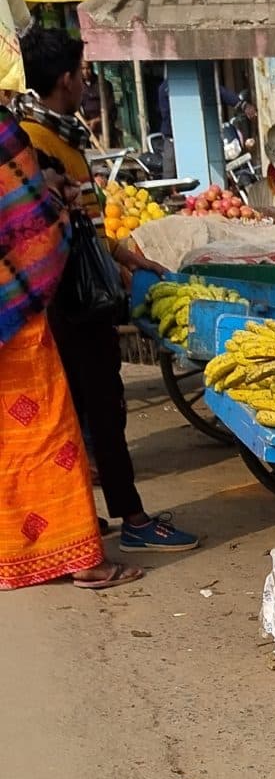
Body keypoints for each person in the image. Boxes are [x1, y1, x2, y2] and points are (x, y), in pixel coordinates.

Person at [19, 28, 197, 554]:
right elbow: (56, 221)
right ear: (65, 79)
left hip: (72, 290)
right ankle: (134, 519)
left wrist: (124, 255)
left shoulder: (58, 135)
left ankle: (83, 516)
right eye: (82, 74)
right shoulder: (38, 143)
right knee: (101, 408)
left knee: (83, 411)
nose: (86, 83)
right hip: (67, 301)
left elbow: (87, 220)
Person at [0, 105, 142, 591]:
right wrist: (63, 210)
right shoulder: (5, 137)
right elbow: (32, 230)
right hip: (14, 320)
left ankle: (16, 556)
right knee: (48, 432)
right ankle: (83, 559)